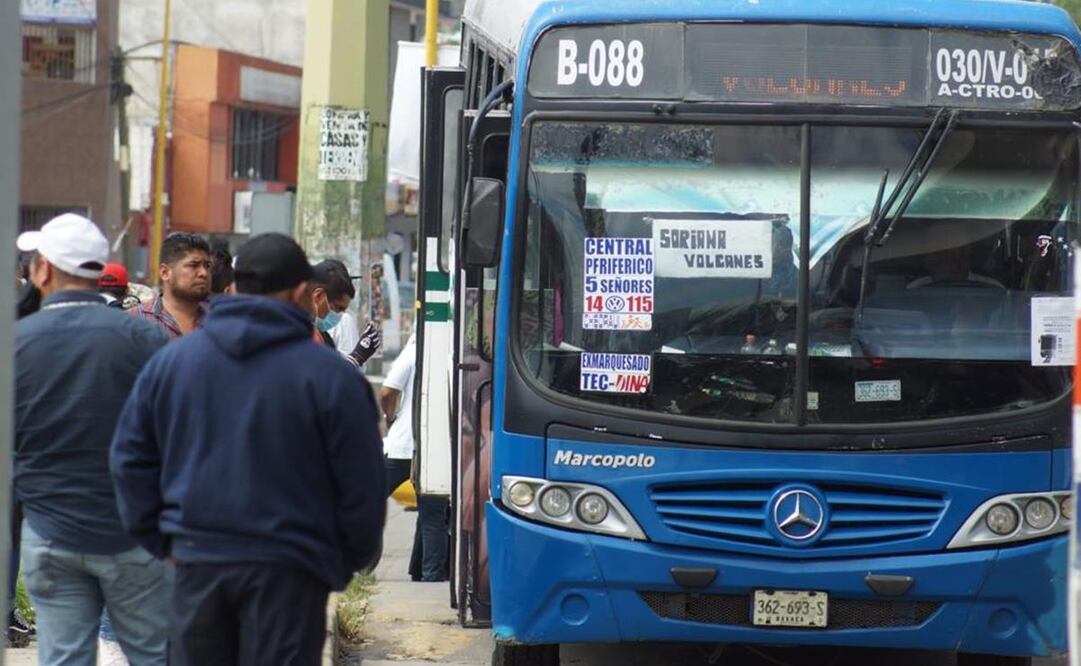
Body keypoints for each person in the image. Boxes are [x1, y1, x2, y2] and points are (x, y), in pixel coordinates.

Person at [111, 233, 387, 666]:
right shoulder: (332, 378)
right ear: (300, 291)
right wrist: (334, 565)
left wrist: (166, 543)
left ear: (235, 286)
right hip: (292, 576)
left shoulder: (172, 364)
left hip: (196, 567)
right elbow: (364, 490)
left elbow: (129, 463)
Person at [15, 213, 170, 666]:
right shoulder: (146, 339)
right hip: (134, 533)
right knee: (153, 656)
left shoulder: (16, 343)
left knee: (63, 658)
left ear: (43, 270)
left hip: (49, 530)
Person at [380, 335, 449, 583]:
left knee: (368, 503)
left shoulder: (413, 351)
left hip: (402, 445)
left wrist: (391, 418)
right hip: (437, 448)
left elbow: (387, 392)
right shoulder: (453, 354)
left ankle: (361, 567)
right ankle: (431, 575)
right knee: (433, 513)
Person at [131, 232, 211, 338]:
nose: (203, 273)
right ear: (165, 273)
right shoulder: (136, 320)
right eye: (193, 265)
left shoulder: (218, 321)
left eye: (207, 266)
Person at [310, 259, 382, 369]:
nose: (339, 315)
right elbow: (324, 380)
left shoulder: (322, 334)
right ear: (319, 296)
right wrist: (356, 358)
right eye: (337, 307)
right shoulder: (301, 332)